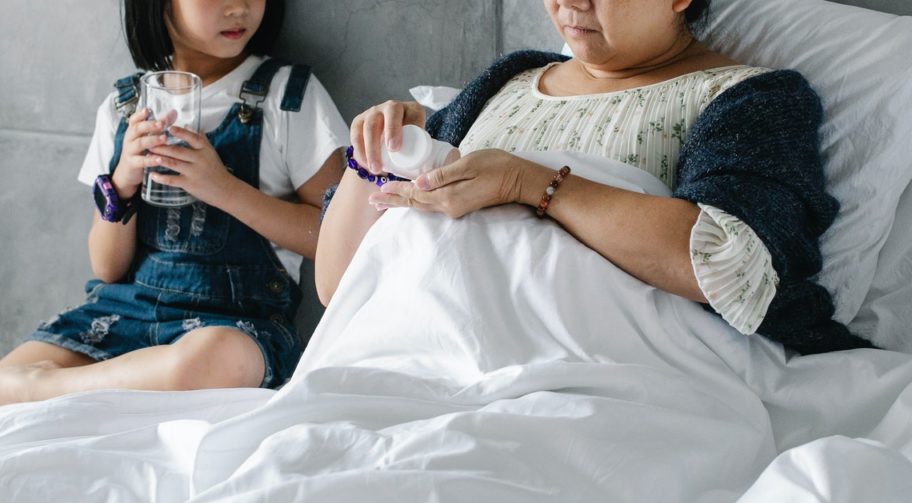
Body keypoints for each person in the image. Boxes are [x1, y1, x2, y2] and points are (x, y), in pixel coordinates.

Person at [317, 0, 872, 356]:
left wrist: (526, 183)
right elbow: (341, 289)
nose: (570, 4)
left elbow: (727, 266)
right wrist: (368, 158)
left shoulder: (748, 98)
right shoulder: (507, 81)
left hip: (607, 367)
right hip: (430, 351)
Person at [0, 0, 350, 433]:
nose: (238, 7)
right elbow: (106, 267)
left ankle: (37, 390)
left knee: (213, 359)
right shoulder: (123, 107)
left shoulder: (287, 96)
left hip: (232, 323)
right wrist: (123, 182)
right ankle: (48, 386)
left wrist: (223, 189)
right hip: (123, 316)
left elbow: (338, 242)